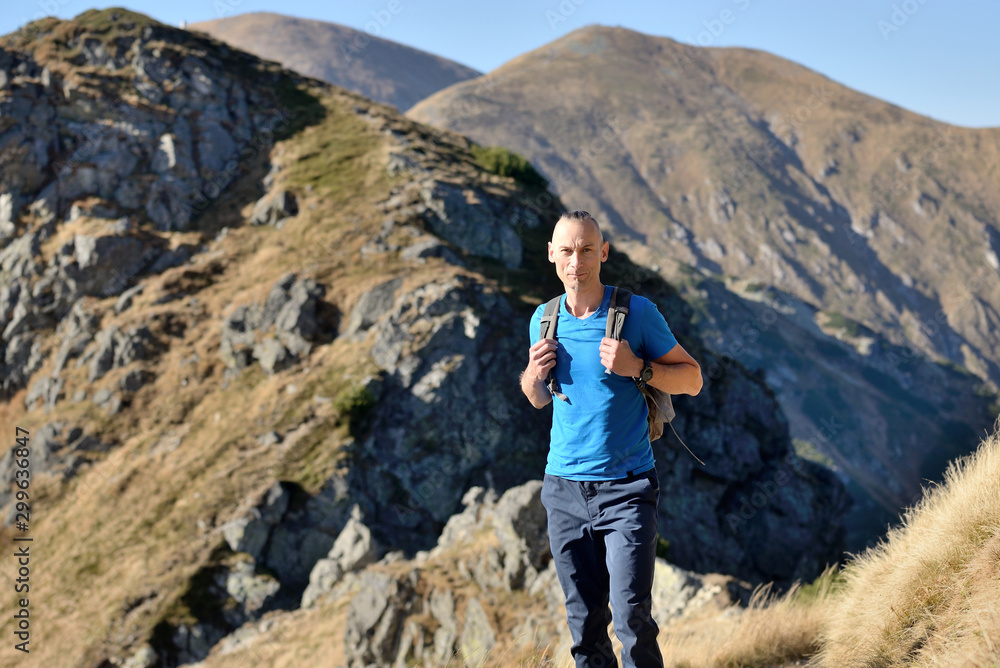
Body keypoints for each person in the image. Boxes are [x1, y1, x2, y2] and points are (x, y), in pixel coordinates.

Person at [521, 210, 703, 668]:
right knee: (584, 627)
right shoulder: (543, 319)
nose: (575, 261)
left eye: (586, 249)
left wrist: (637, 368)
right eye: (566, 250)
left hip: (626, 489)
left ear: (603, 252)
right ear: (551, 254)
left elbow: (693, 379)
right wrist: (533, 373)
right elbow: (537, 399)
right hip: (562, 489)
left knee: (631, 620)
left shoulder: (637, 313)